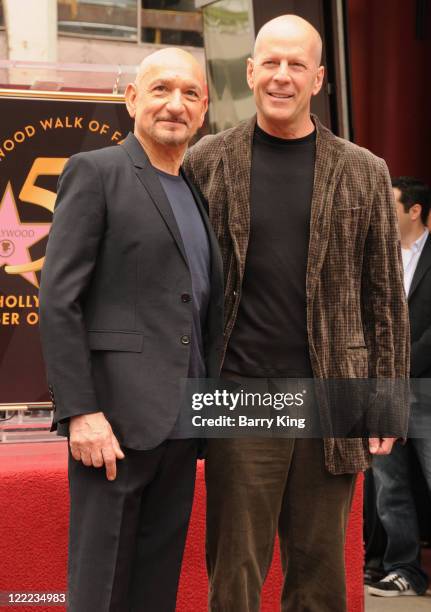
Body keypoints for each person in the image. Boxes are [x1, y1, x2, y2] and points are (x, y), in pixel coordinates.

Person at [183, 14, 409, 612]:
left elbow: (385, 297)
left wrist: (387, 401)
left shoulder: (364, 171)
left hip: (333, 397)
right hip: (239, 392)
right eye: (271, 63)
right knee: (235, 568)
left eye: (297, 65)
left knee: (320, 572)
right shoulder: (207, 160)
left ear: (319, 79)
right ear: (251, 71)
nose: (282, 76)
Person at [38, 48, 223, 612]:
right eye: (161, 89)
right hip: (112, 427)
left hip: (181, 423)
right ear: (132, 99)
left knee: (155, 586)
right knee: (100, 588)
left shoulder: (194, 189)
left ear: (205, 109)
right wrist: (81, 412)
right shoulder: (97, 171)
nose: (175, 104)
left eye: (190, 94)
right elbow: (59, 298)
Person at [369, 177, 431, 597]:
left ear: (414, 210)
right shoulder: (376, 257)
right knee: (389, 487)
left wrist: (398, 366)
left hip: (425, 385)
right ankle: (403, 569)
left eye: (389, 204)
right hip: (381, 390)